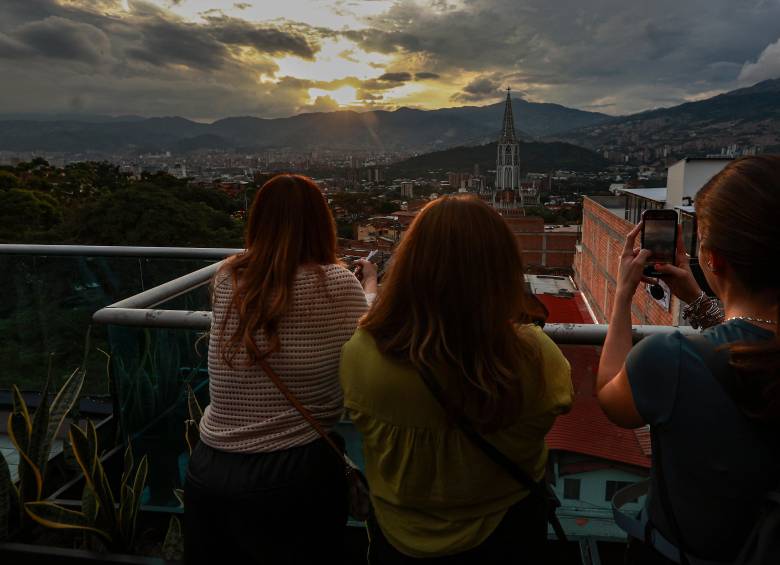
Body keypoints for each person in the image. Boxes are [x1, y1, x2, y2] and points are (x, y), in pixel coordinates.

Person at [340, 194, 574, 563]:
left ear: (410, 263)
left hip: (399, 539)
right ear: (501, 267)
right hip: (506, 535)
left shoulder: (362, 353)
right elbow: (560, 401)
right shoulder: (533, 354)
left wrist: (371, 289)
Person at [183, 174, 377, 564]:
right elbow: (368, 332)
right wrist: (369, 284)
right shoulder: (336, 284)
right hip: (292, 472)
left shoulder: (229, 277)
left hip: (208, 466)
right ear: (320, 223)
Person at [596, 155, 780, 564]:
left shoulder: (671, 359)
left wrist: (623, 295)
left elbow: (611, 397)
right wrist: (698, 300)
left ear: (712, 259)